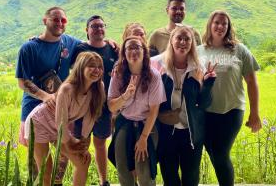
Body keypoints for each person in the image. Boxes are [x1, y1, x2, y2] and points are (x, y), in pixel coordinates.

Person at [16, 6, 81, 184]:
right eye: (55, 19)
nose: (60, 23)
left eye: (63, 20)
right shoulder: (29, 48)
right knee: (38, 165)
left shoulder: (70, 42)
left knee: (62, 159)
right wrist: (46, 97)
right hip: (33, 110)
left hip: (60, 111)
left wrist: (112, 43)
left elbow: (94, 47)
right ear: (45, 21)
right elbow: (22, 82)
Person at [197, 10, 262, 186]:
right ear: (210, 25)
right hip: (206, 113)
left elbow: (252, 82)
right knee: (213, 152)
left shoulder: (240, 50)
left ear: (228, 27)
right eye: (217, 22)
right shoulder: (198, 51)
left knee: (220, 152)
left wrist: (254, 113)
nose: (220, 26)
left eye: (224, 24)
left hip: (231, 111)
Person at [24, 51, 105, 186]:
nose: (96, 70)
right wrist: (70, 143)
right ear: (80, 67)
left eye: (99, 67)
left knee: (83, 160)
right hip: (38, 124)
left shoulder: (98, 88)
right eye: (91, 66)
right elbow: (61, 122)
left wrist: (83, 143)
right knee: (47, 171)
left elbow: (90, 117)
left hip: (58, 128)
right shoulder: (67, 89)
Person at [151, 26, 216, 186]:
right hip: (166, 130)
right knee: (169, 175)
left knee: (191, 177)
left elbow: (204, 103)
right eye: (179, 38)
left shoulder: (199, 66)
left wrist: (207, 84)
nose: (182, 42)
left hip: (191, 131)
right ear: (171, 41)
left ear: (192, 43)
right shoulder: (157, 64)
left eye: (187, 39)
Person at [107, 36, 166, 186]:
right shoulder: (118, 74)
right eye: (129, 48)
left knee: (144, 173)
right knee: (123, 169)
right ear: (124, 53)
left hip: (147, 124)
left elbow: (154, 111)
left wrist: (144, 138)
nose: (133, 51)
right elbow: (112, 106)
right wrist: (125, 96)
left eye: (137, 47)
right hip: (125, 121)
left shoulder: (153, 75)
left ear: (144, 52)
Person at [71, 15, 118, 186]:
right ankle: (80, 181)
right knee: (81, 145)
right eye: (94, 26)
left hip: (104, 107)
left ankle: (103, 180)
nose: (98, 29)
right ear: (87, 30)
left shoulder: (113, 49)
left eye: (101, 26)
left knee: (100, 143)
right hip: (81, 107)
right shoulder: (79, 49)